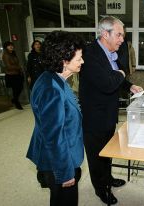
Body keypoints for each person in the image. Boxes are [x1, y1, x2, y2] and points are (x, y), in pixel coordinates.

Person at [79, 16, 143, 205]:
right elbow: (108, 83)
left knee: (108, 151)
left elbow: (117, 76)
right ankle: (101, 189)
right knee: (96, 155)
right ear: (104, 33)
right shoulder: (90, 54)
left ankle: (108, 178)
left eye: (123, 35)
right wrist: (122, 74)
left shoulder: (112, 52)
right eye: (119, 34)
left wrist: (129, 86)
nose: (122, 39)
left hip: (108, 113)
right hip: (94, 116)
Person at [26, 31, 85, 206]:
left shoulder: (55, 79)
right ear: (64, 61)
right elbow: (54, 136)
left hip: (62, 155)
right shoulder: (51, 88)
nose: (82, 61)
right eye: (79, 58)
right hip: (59, 161)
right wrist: (65, 173)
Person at [2, 41, 24, 110]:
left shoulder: (13, 54)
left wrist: (19, 69)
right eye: (9, 46)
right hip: (11, 75)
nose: (11, 47)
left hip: (17, 74)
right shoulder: (5, 55)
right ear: (6, 47)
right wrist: (19, 67)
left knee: (20, 87)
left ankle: (14, 99)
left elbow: (16, 63)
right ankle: (17, 102)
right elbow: (8, 66)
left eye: (11, 45)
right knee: (15, 89)